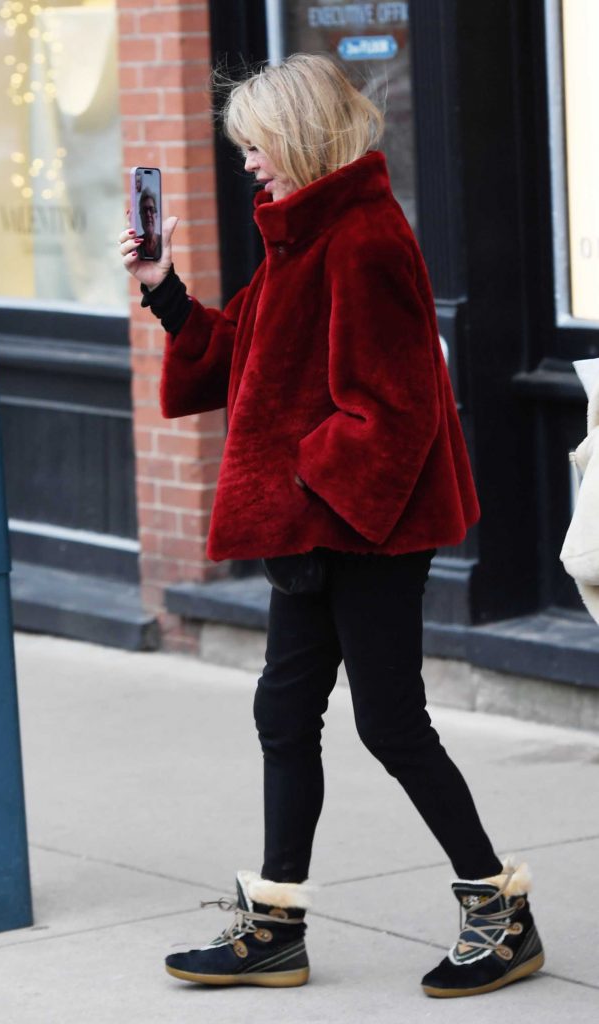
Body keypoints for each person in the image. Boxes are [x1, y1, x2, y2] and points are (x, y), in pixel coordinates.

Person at [119, 53, 544, 998]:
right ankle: (275, 925)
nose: (247, 165)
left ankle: (498, 911)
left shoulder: (363, 238)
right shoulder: (305, 235)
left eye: (255, 145)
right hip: (318, 531)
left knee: (390, 722)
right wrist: (166, 289)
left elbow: (392, 416)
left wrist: (291, 479)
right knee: (284, 712)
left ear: (299, 135)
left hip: (368, 530)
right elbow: (252, 356)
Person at [137, 186, 161, 259]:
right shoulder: (135, 244)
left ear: (156, 215)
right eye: (144, 210)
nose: (148, 214)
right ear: (140, 216)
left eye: (151, 209)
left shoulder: (164, 242)